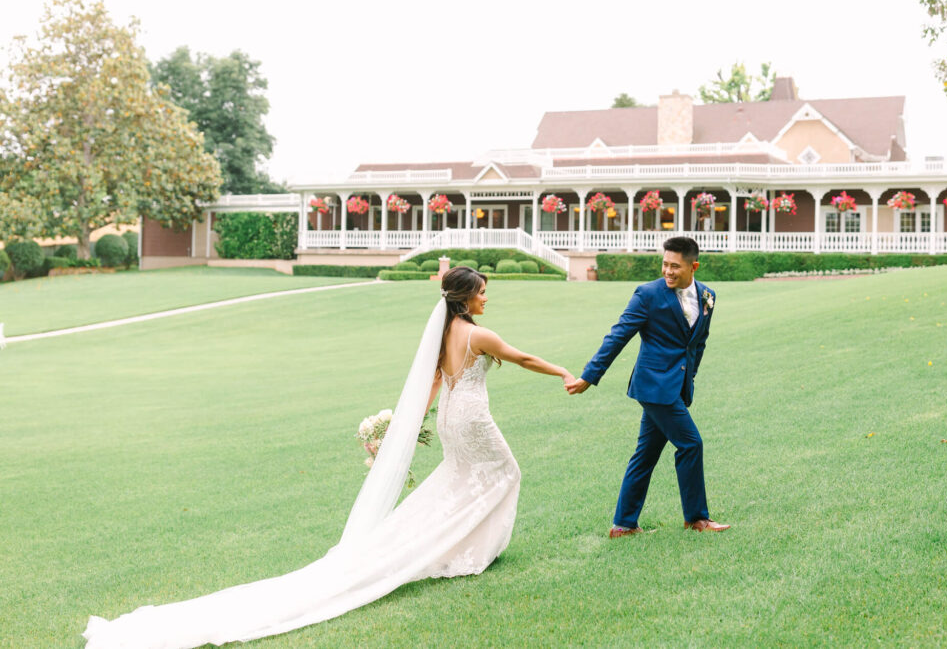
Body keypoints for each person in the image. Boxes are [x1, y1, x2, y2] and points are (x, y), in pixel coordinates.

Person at [83, 266, 574, 648]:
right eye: (483, 291)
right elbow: (522, 358)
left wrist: (410, 426)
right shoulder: (478, 334)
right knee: (504, 471)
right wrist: (563, 372)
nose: (487, 298)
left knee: (457, 480)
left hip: (450, 417)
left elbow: (428, 384)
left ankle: (461, 549)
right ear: (466, 296)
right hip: (470, 418)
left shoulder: (446, 333)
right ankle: (467, 553)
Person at [566, 236, 729, 537]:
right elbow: (618, 336)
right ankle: (697, 519)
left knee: (646, 455)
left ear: (694, 266)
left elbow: (699, 342)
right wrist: (589, 376)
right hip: (653, 386)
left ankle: (623, 525)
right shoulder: (647, 295)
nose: (668, 271)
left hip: (676, 386)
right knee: (691, 443)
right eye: (665, 264)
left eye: (675, 266)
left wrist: (689, 377)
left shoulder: (708, 296)